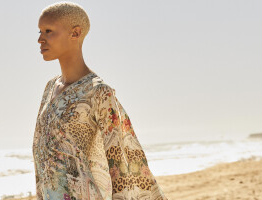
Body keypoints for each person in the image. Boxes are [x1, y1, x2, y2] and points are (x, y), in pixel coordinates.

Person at [33, 1, 169, 200]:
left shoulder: (98, 92)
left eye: (48, 31)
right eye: (39, 32)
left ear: (75, 33)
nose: (40, 39)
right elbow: (41, 152)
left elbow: (120, 161)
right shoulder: (50, 87)